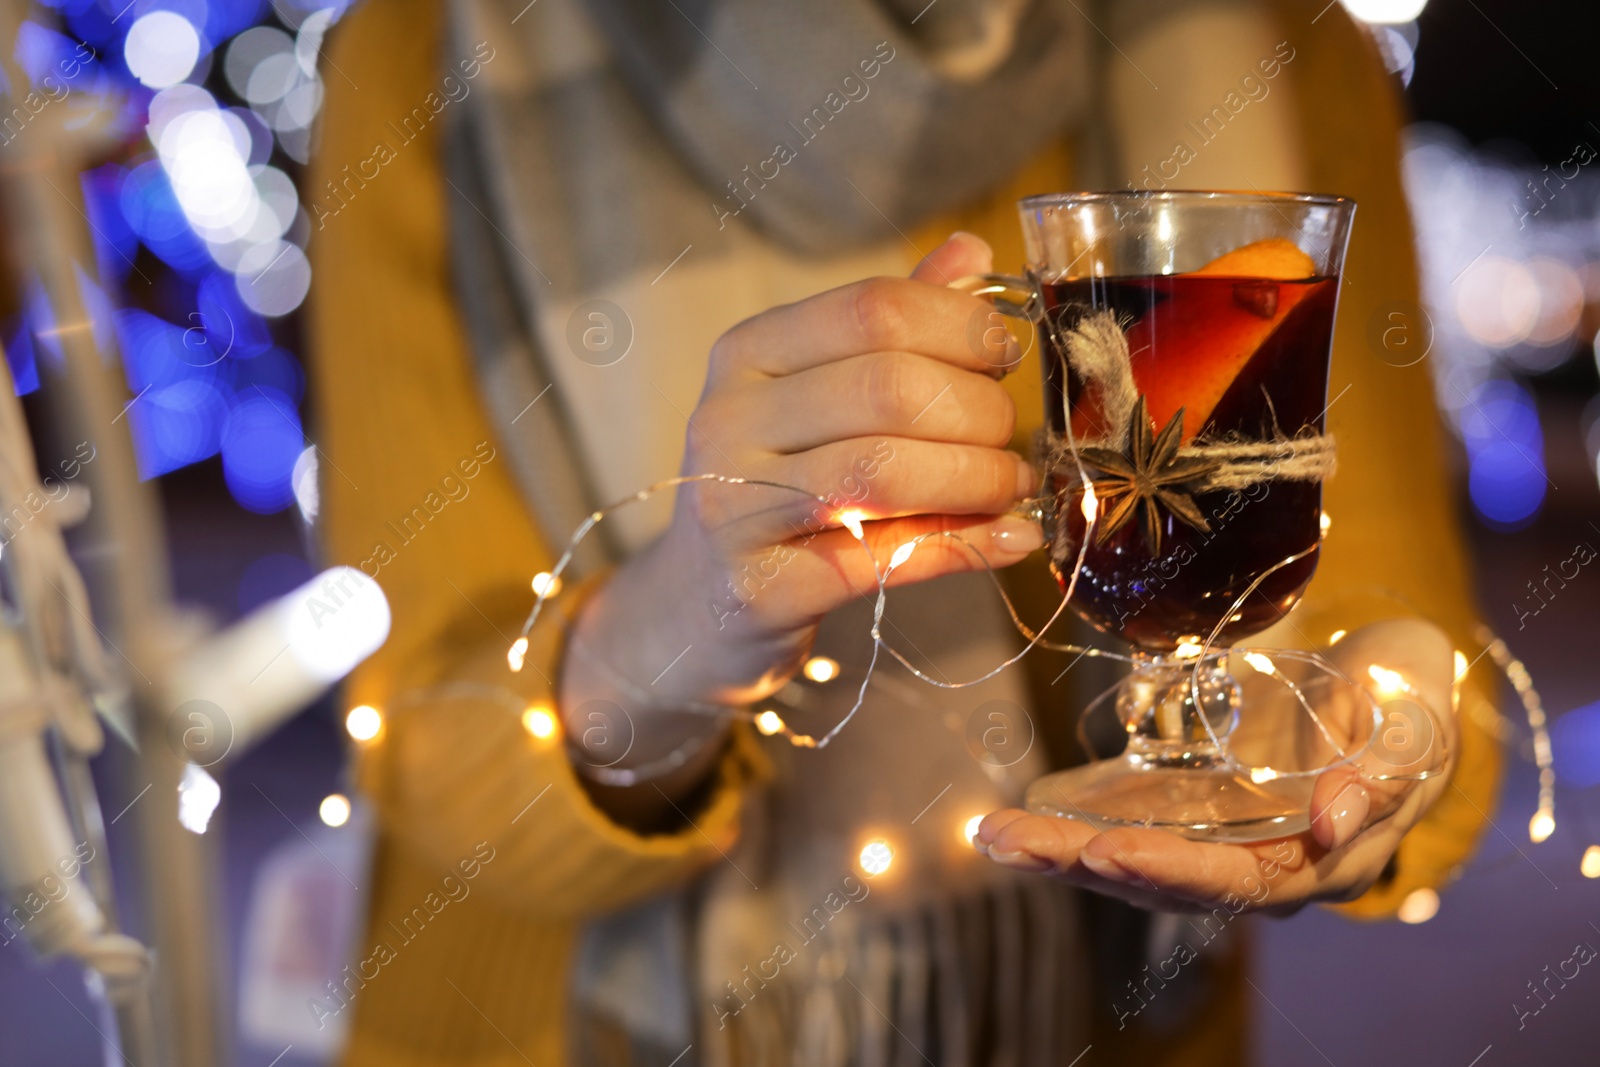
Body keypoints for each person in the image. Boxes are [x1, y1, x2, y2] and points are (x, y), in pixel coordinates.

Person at [307, 0, 1501, 1063]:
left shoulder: (1283, 45)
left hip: (1118, 1022)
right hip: (568, 1027)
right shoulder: (426, 50)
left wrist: (1376, 727)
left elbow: (1393, 615)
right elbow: (423, 736)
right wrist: (678, 618)